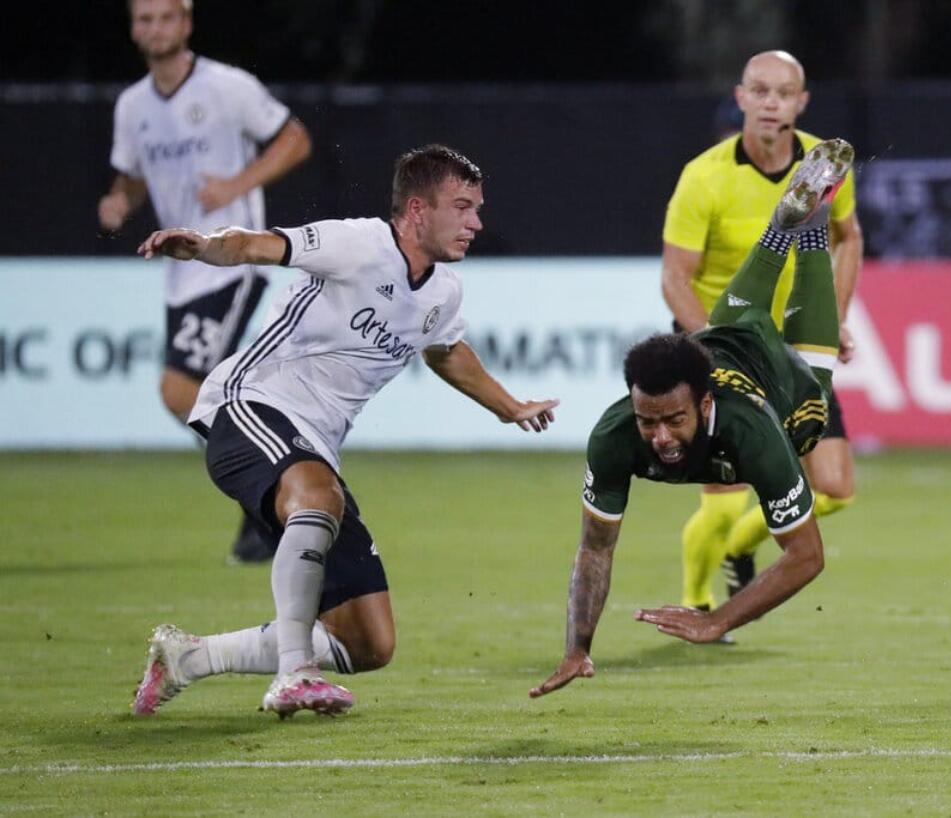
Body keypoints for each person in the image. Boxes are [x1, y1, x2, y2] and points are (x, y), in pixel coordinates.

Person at [131, 145, 560, 718]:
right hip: (251, 403)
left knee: (368, 641)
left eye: (477, 209)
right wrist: (207, 248)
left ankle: (190, 659)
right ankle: (293, 673)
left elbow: (446, 351)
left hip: (313, 447)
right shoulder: (358, 243)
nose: (476, 222)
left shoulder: (442, 292)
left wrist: (508, 407)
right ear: (416, 209)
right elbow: (259, 244)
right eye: (462, 207)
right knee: (319, 496)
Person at [531, 139, 853, 698]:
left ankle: (816, 216)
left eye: (673, 421)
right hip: (721, 334)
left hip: (787, 385)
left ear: (704, 405)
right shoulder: (614, 435)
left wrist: (718, 619)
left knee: (809, 251)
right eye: (646, 421)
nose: (659, 438)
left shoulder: (752, 434)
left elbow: (807, 557)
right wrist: (577, 647)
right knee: (770, 250)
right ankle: (791, 217)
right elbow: (595, 547)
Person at [98, 0, 313, 564]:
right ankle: (270, 493)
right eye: (144, 19)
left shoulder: (226, 86)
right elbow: (135, 175)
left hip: (230, 258)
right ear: (133, 29)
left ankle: (278, 486)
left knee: (179, 389)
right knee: (203, 394)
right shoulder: (133, 106)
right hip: (180, 273)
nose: (155, 28)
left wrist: (237, 183)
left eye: (166, 17)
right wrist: (122, 199)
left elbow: (295, 139)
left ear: (186, 22)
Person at [660, 50, 864, 617]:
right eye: (760, 90)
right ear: (741, 97)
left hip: (791, 347)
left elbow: (849, 237)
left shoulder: (825, 167)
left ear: (802, 101)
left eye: (784, 92)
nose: (771, 102)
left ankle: (738, 549)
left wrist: (834, 317)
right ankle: (697, 604)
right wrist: (711, 344)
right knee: (723, 502)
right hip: (722, 344)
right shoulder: (703, 178)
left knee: (834, 489)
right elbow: (675, 278)